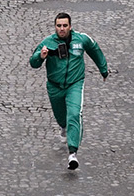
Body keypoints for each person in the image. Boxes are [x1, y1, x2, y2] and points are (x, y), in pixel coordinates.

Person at [29, 13, 109, 172]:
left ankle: (72, 153)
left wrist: (103, 69)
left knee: (74, 114)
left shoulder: (81, 39)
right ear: (55, 27)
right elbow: (33, 62)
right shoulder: (48, 42)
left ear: (70, 26)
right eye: (59, 26)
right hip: (54, 86)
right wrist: (41, 56)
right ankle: (63, 127)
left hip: (75, 84)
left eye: (65, 25)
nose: (62, 29)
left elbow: (95, 50)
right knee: (61, 116)